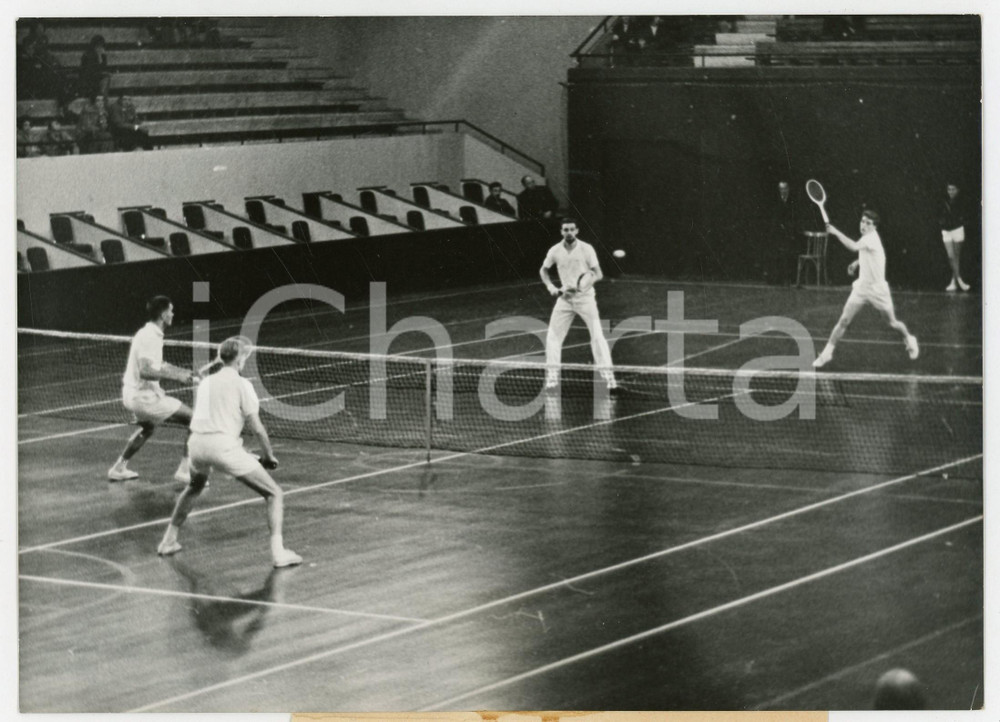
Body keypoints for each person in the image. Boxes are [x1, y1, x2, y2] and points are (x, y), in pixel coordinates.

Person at [157, 336, 302, 568]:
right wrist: (268, 456)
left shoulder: (206, 383)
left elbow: (211, 419)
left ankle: (168, 541)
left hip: (196, 445)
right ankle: (278, 553)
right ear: (241, 359)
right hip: (222, 447)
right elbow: (257, 428)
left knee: (193, 487)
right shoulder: (243, 385)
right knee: (274, 493)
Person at [813, 210, 919, 368]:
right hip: (862, 287)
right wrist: (857, 263)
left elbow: (854, 247)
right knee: (844, 320)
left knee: (892, 323)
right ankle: (827, 353)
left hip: (878, 290)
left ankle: (909, 339)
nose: (863, 225)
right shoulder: (867, 238)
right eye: (862, 221)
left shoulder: (871, 238)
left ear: (874, 227)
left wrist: (835, 232)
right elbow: (868, 254)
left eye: (868, 223)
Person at [108, 296, 196, 482]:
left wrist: (183, 372)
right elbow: (146, 371)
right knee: (195, 420)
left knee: (148, 428)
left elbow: (160, 364)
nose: (173, 314)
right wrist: (176, 377)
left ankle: (118, 468)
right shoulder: (150, 337)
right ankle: (184, 470)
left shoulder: (149, 333)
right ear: (163, 315)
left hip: (131, 395)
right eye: (171, 311)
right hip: (144, 398)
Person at [540, 217, 618, 391]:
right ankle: (552, 380)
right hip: (564, 300)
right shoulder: (555, 250)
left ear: (577, 231)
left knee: (597, 337)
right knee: (552, 338)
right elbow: (543, 270)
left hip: (586, 300)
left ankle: (610, 380)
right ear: (561, 232)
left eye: (571, 229)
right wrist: (551, 287)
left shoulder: (586, 249)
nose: (569, 232)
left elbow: (598, 274)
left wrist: (583, 287)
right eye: (565, 229)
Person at [940, 182, 970, 292]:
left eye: (953, 189)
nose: (951, 191)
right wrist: (942, 223)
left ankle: (953, 281)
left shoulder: (962, 202)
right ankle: (960, 280)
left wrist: (959, 221)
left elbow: (965, 215)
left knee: (956, 257)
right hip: (946, 231)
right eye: (949, 189)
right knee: (951, 256)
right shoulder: (943, 201)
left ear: (957, 190)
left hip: (958, 230)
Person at [768, 180, 799, 285]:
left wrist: (790, 230)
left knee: (789, 256)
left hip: (790, 234)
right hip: (778, 234)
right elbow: (775, 219)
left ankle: (789, 279)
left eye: (785, 188)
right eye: (781, 189)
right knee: (777, 256)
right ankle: (777, 279)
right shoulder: (776, 202)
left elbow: (794, 218)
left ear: (788, 189)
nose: (783, 191)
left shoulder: (793, 201)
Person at [79, 34, 110, 100]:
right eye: (98, 46)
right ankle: (100, 97)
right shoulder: (88, 54)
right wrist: (99, 57)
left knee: (106, 77)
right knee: (105, 78)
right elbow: (89, 70)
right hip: (88, 79)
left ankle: (102, 98)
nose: (100, 48)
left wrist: (102, 57)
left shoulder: (101, 55)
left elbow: (104, 68)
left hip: (96, 78)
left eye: (101, 46)